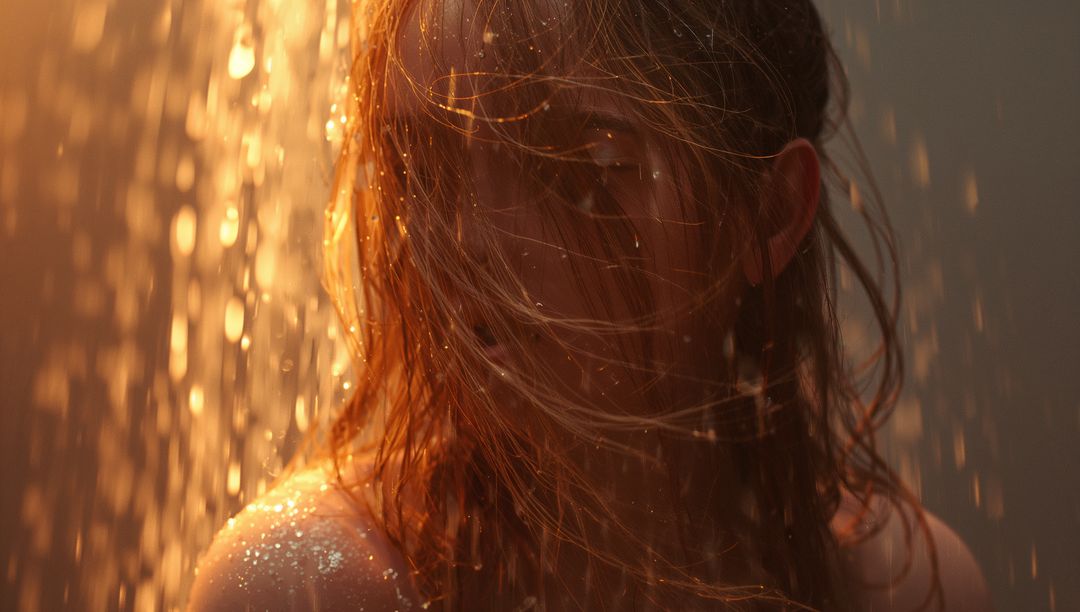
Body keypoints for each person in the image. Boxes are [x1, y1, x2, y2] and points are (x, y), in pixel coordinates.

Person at [188, 0, 992, 609]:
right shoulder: (312, 587)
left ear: (768, 214)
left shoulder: (903, 587)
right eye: (421, 163)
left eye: (580, 165)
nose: (468, 239)